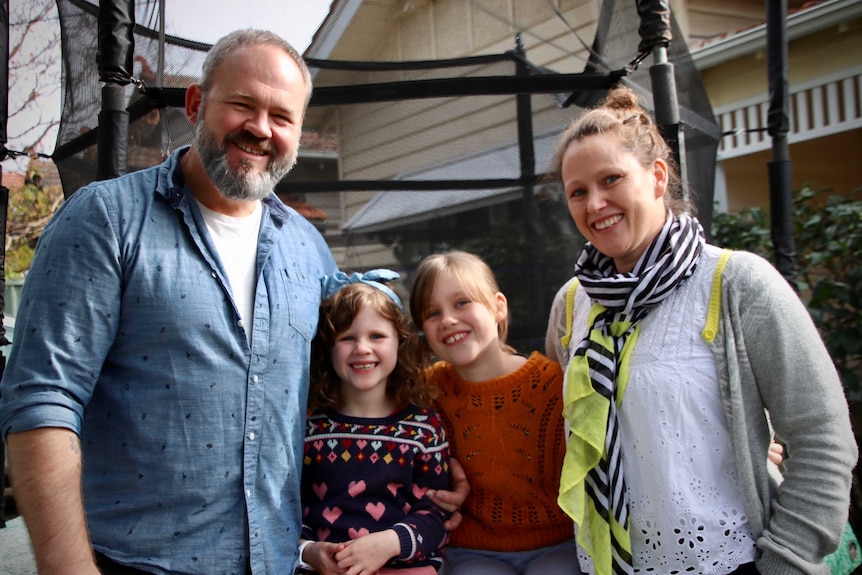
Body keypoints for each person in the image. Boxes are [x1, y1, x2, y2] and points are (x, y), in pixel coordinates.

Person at [0, 29, 337, 575]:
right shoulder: (106, 220)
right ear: (197, 104)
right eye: (243, 105)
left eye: (282, 116)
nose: (261, 129)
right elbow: (42, 401)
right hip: (132, 563)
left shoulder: (309, 249)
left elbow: (355, 379)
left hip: (277, 561)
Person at [544, 85, 857, 575]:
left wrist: (785, 564)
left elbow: (823, 438)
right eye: (578, 191)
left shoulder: (735, 282)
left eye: (611, 179)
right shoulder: (571, 305)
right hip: (609, 564)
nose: (595, 202)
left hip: (730, 561)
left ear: (656, 176)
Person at [409, 251, 581, 575]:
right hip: (472, 549)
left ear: (498, 306)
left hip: (558, 542)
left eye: (462, 303)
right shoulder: (425, 392)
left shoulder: (554, 383)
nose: (447, 319)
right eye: (432, 313)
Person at [299, 271, 451, 575]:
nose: (362, 349)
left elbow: (438, 512)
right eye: (347, 338)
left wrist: (391, 543)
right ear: (329, 349)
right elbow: (286, 509)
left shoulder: (424, 427)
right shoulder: (309, 427)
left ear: (400, 342)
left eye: (376, 336)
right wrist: (309, 551)